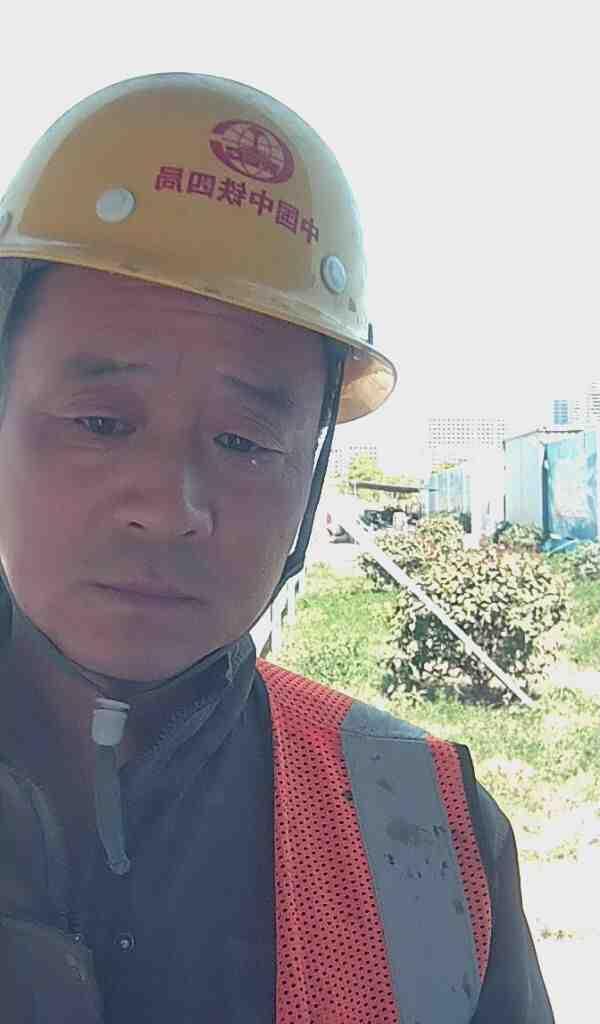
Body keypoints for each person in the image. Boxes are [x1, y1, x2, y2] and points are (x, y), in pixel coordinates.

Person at [0, 74, 553, 1023]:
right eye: (100, 421)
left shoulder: (427, 833)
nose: (170, 510)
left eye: (244, 442)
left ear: (312, 469)